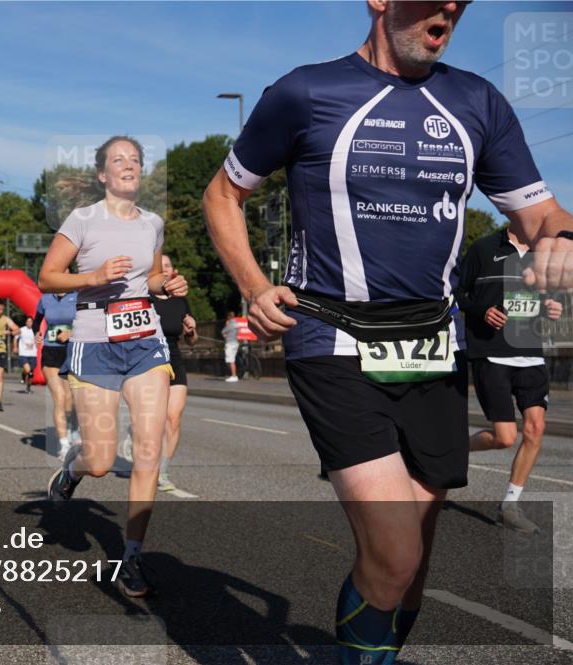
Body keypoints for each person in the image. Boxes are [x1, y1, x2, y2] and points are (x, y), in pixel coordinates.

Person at [202, 1, 571, 660]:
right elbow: (222, 194)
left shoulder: (476, 101)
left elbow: (540, 210)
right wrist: (256, 287)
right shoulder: (306, 92)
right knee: (397, 550)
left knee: (412, 565)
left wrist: (562, 238)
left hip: (435, 343)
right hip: (332, 337)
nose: (452, 6)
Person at [41, 135, 188, 598]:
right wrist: (93, 277)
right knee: (102, 461)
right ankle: (72, 471)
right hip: (95, 342)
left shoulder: (152, 223)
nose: (128, 166)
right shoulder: (82, 220)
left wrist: (167, 284)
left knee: (148, 449)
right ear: (103, 174)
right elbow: (47, 277)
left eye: (135, 160)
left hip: (145, 341)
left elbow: (149, 278)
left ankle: (131, 556)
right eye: (118, 160)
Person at [458, 226, 564, 533]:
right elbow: (458, 293)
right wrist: (482, 311)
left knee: (536, 428)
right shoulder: (483, 248)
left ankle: (509, 505)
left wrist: (552, 307)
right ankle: (456, 451)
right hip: (492, 353)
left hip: (530, 352)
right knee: (504, 437)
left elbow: (546, 299)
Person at [152, 255, 198, 492]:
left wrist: (191, 329)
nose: (164, 269)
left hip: (174, 360)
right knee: (153, 420)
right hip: (148, 362)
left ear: (174, 270)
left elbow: (191, 341)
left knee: (173, 417)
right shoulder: (143, 298)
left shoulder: (180, 300)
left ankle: (163, 471)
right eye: (160, 266)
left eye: (168, 265)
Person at [33, 289, 79, 458]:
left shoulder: (78, 296)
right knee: (59, 397)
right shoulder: (45, 299)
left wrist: (72, 333)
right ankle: (64, 444)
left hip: (71, 351)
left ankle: (73, 430)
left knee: (70, 398)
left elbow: (89, 322)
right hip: (51, 352)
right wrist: (36, 333)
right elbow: (37, 321)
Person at [14, 317, 40, 394]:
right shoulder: (22, 330)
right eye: (28, 321)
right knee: (28, 370)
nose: (29, 323)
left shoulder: (35, 330)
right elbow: (15, 338)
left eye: (31, 321)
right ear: (25, 323)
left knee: (31, 373)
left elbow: (39, 339)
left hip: (33, 354)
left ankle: (28, 387)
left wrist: (38, 340)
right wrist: (15, 347)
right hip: (23, 353)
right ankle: (23, 374)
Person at [222, 311, 240, 382]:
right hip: (235, 342)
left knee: (230, 360)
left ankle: (234, 375)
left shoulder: (230, 324)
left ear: (229, 317)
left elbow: (223, 331)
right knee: (232, 359)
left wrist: (226, 324)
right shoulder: (236, 323)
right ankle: (234, 375)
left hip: (230, 343)